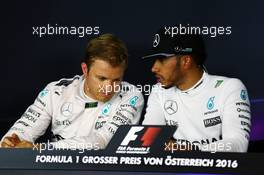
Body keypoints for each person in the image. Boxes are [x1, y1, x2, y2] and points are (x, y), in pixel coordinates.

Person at [1, 34, 144, 149]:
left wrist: (39, 149)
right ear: (85, 70)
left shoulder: (131, 95)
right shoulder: (56, 91)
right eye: (102, 78)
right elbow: (23, 130)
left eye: (116, 80)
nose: (109, 87)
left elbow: (103, 141)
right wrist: (12, 142)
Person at [142, 28, 251, 152]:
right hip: (174, 170)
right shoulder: (158, 91)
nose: (154, 68)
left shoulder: (229, 87)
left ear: (186, 61)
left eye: (161, 59)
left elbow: (238, 144)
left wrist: (188, 152)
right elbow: (148, 141)